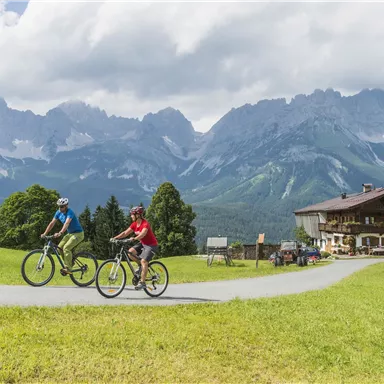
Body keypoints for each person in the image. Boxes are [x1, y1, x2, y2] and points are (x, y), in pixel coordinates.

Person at [112, 206, 158, 290]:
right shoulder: (134, 224)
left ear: (137, 215)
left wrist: (134, 238)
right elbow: (125, 233)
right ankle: (140, 265)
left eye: (132, 214)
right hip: (143, 243)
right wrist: (115, 238)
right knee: (131, 252)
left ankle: (142, 283)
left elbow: (143, 234)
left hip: (151, 245)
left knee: (144, 261)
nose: (131, 216)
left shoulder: (145, 224)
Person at [41, 197, 84, 275]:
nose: (60, 208)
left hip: (78, 234)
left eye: (62, 206)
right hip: (70, 234)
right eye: (59, 206)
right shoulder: (58, 212)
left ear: (66, 206)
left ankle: (68, 268)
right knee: (59, 248)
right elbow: (52, 223)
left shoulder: (70, 212)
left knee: (66, 248)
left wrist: (60, 233)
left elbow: (66, 223)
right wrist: (45, 233)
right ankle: (69, 264)